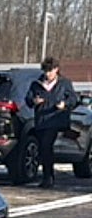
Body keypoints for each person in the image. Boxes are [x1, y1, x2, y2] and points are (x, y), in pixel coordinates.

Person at [24, 56, 78, 188]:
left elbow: (73, 99)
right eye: (45, 71)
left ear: (56, 70)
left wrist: (64, 104)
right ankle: (48, 175)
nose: (47, 74)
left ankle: (48, 177)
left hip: (56, 120)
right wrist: (34, 101)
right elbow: (28, 100)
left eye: (50, 71)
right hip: (41, 120)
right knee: (43, 149)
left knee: (46, 146)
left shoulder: (64, 83)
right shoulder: (36, 84)